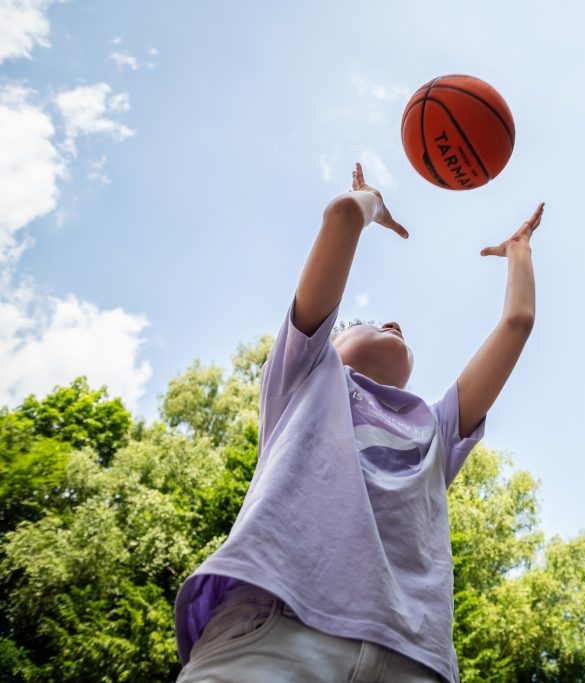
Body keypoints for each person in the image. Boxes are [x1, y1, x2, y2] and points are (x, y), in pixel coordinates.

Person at [174, 162, 544, 682]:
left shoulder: (434, 428)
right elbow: (343, 215)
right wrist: (370, 200)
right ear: (333, 343)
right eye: (368, 322)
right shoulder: (308, 374)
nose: (393, 324)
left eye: (399, 329)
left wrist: (519, 249)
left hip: (413, 657)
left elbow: (517, 322)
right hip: (280, 628)